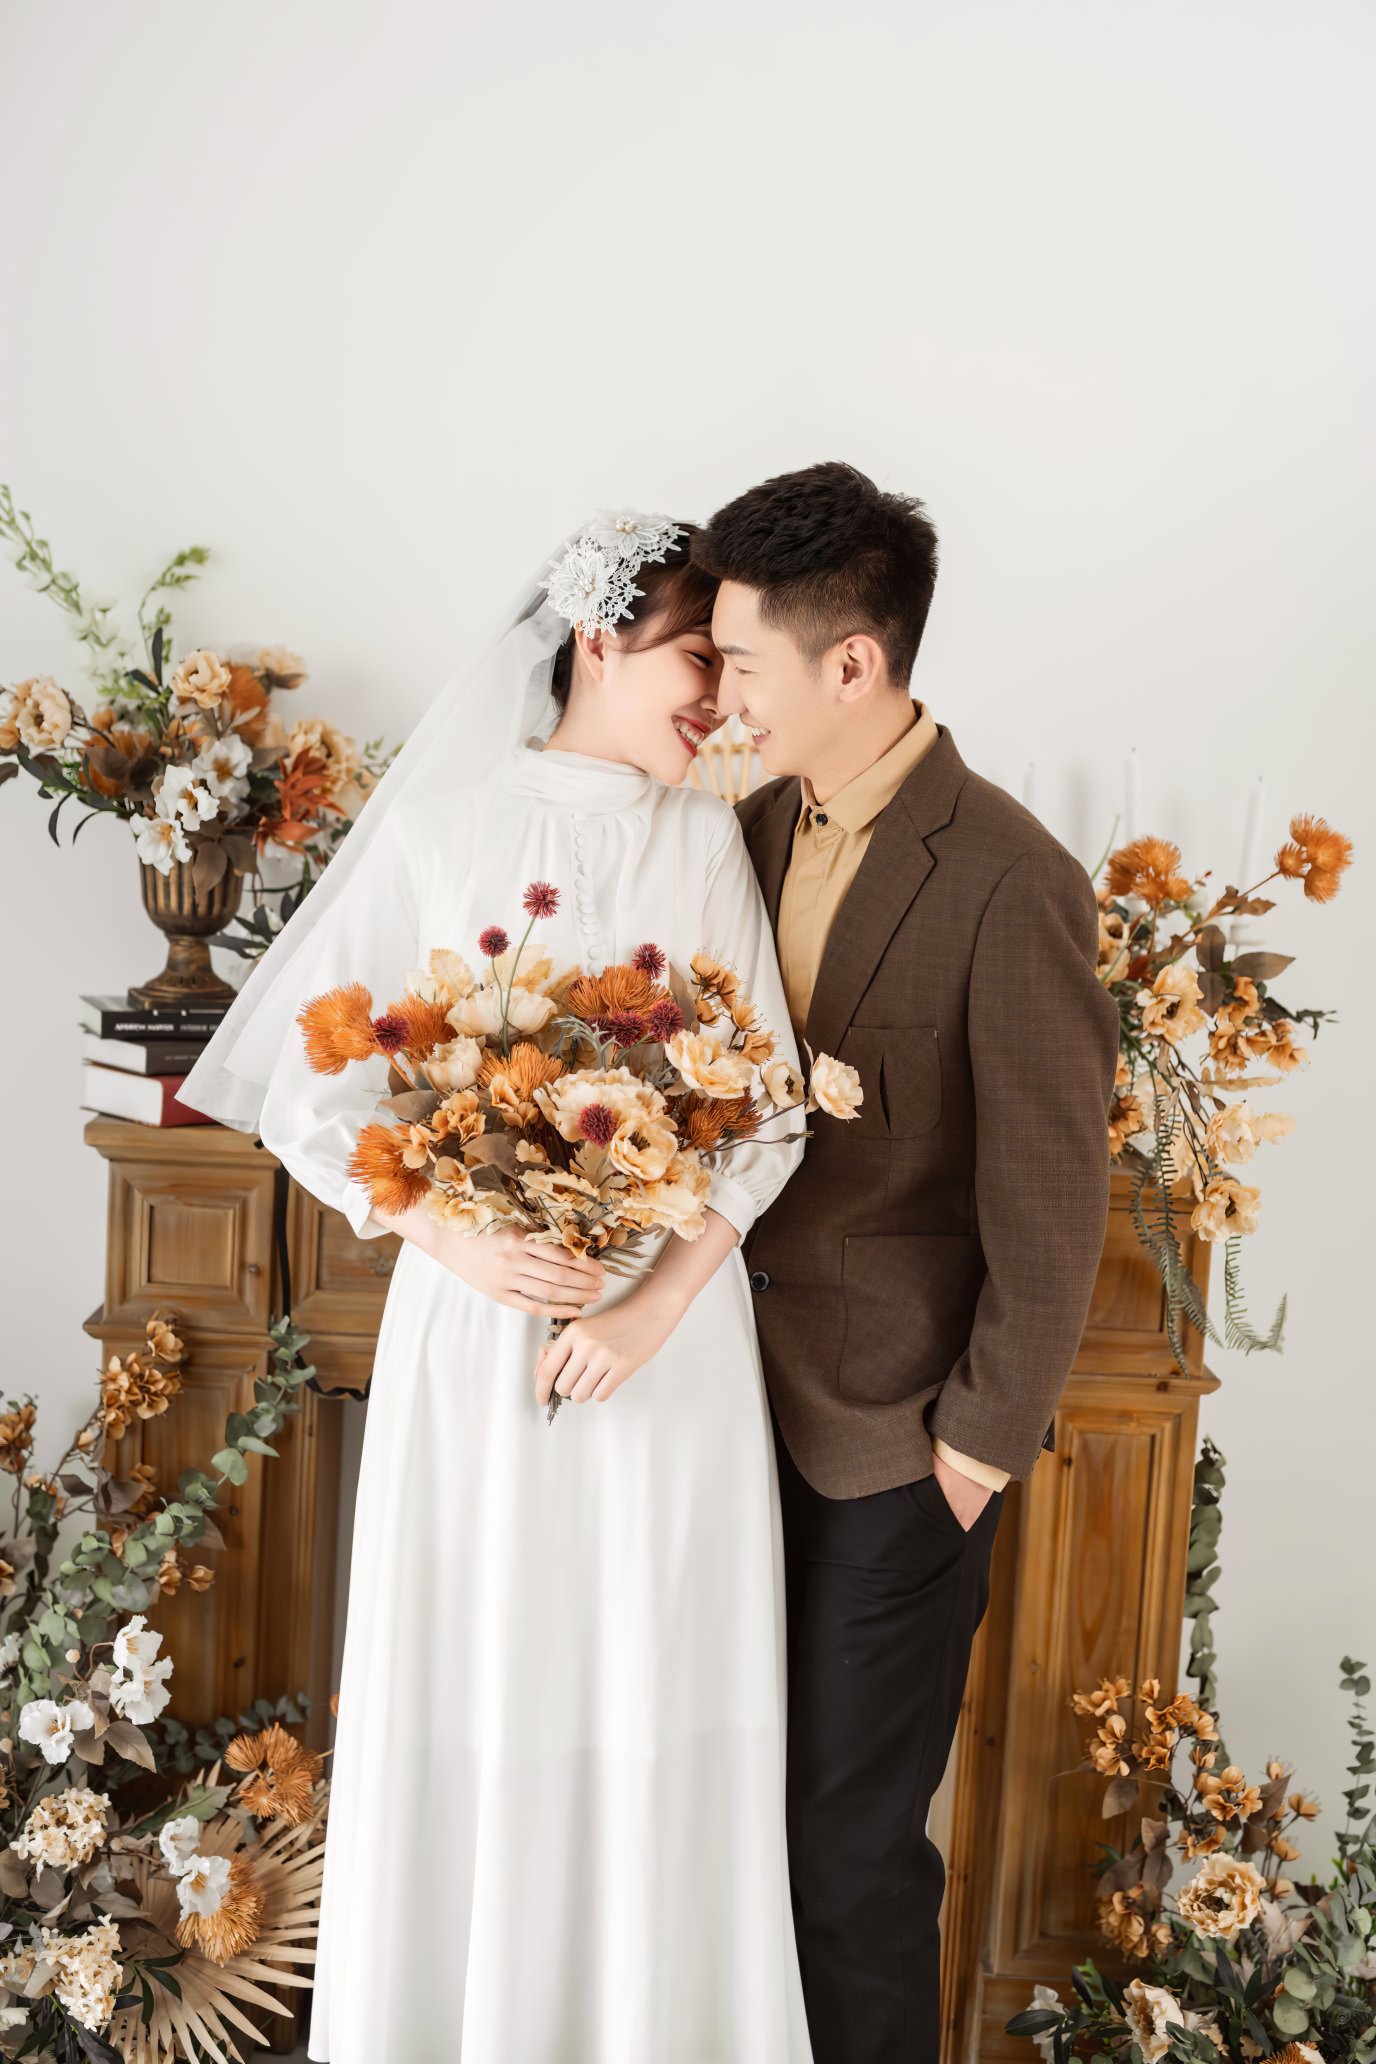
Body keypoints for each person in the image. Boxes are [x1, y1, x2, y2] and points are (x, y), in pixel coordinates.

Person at [179, 515, 815, 2062]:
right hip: (473, 1333)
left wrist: (652, 1303)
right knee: (482, 1659)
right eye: (696, 658)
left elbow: (773, 1115)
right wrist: (452, 1241)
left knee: (650, 1672)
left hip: (662, 1349)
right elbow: (309, 1099)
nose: (720, 699)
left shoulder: (704, 840)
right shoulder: (443, 827)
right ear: (598, 639)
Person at [692, 462, 1121, 2064]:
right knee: (726, 1839)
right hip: (716, 1429)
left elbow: (1052, 1209)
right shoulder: (743, 832)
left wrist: (967, 1459)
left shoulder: (1012, 880)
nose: (722, 693)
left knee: (846, 1864)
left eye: (742, 661)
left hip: (891, 1458)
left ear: (852, 663)